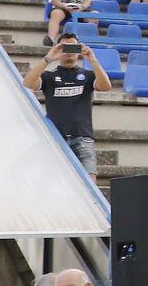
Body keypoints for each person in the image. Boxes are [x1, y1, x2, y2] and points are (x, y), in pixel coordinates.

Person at [23, 36, 111, 181]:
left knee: (89, 183)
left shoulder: (88, 75)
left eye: (73, 47)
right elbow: (27, 83)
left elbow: (105, 86)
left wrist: (93, 60)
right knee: (51, 181)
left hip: (82, 137)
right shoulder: (49, 77)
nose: (69, 51)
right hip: (56, 138)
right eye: (65, 47)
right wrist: (48, 58)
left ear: (79, 51)